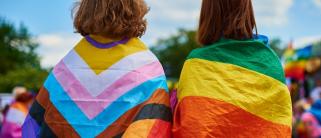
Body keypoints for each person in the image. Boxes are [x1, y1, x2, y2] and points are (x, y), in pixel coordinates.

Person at [22, 0, 171, 137]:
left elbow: (33, 125)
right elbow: (155, 128)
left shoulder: (65, 67)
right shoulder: (148, 67)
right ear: (135, 9)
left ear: (87, 9)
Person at [172, 0, 292, 137]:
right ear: (247, 10)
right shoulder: (272, 64)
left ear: (208, 13)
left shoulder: (197, 63)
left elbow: (191, 128)